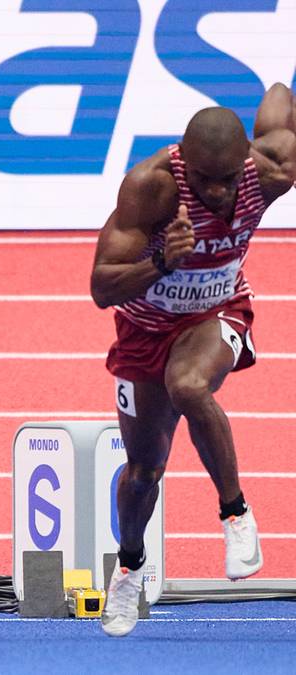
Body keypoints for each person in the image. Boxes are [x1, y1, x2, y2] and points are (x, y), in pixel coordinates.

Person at [90, 84, 296, 637]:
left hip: (217, 313)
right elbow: (101, 287)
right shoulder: (150, 188)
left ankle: (236, 513)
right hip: (143, 328)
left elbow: (279, 98)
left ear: (244, 166)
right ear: (184, 164)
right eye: (204, 180)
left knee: (188, 385)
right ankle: (129, 569)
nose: (218, 191)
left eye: (227, 179)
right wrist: (161, 260)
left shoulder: (270, 173)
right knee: (143, 473)